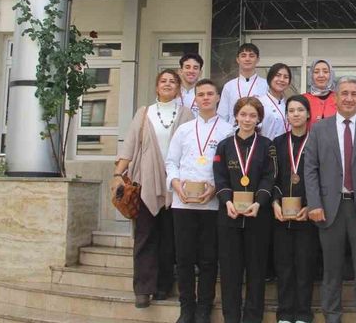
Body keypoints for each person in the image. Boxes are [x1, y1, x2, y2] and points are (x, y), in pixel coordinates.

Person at [304, 76, 356, 323]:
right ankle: (332, 316)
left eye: (354, 94)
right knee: (331, 268)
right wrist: (314, 204)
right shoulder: (319, 128)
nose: (349, 98)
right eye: (344, 93)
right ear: (336, 98)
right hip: (329, 208)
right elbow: (310, 168)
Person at [112, 69, 194, 309]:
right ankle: (143, 289)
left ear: (178, 88)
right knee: (145, 236)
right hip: (145, 182)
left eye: (172, 81)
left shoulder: (187, 114)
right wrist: (117, 174)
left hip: (176, 184)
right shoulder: (144, 113)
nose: (168, 84)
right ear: (157, 87)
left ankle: (163, 286)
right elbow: (129, 146)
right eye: (163, 81)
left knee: (169, 239)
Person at [166, 79, 234, 323]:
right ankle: (186, 308)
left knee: (208, 259)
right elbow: (171, 162)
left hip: (212, 205)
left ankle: (204, 307)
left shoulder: (228, 130)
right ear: (195, 99)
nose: (205, 98)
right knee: (184, 258)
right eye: (201, 94)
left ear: (218, 98)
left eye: (210, 94)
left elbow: (229, 169)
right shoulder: (184, 129)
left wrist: (215, 189)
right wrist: (176, 185)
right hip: (182, 203)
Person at [213, 97, 275, 323]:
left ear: (259, 119)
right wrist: (227, 201)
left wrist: (259, 202)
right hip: (229, 216)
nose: (247, 119)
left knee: (256, 272)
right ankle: (231, 318)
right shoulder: (224, 145)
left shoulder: (267, 145)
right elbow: (220, 177)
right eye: (243, 114)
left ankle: (252, 318)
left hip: (258, 216)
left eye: (252, 115)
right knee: (230, 272)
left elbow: (269, 177)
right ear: (236, 116)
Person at [271, 95, 318, 323]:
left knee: (304, 266)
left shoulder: (317, 141)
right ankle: (285, 313)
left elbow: (321, 176)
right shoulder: (277, 143)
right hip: (281, 215)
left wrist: (310, 205)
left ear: (308, 114)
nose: (296, 114)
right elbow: (271, 176)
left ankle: (303, 314)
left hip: (307, 215)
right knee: (284, 266)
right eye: (291, 110)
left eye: (300, 110)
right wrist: (275, 202)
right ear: (286, 115)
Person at [218, 43, 268, 125]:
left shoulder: (266, 85)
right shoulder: (229, 86)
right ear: (238, 60)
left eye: (251, 56)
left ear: (257, 60)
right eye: (243, 55)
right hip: (233, 130)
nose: (247, 59)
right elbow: (222, 116)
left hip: (259, 130)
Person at [258, 63, 292, 141]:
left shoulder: (289, 105)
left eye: (286, 77)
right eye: (278, 75)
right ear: (270, 78)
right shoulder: (259, 103)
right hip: (264, 147)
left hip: (286, 146)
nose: (282, 80)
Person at [303, 59, 337, 128]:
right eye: (316, 72)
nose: (321, 75)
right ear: (311, 75)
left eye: (325, 72)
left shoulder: (339, 98)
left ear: (331, 75)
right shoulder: (303, 99)